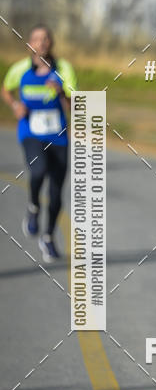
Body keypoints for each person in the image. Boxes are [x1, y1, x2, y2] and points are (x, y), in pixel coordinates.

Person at [1, 25, 76, 262]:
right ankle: (33, 207)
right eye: (36, 39)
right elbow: (6, 89)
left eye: (45, 39)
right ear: (30, 45)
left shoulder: (64, 69)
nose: (41, 43)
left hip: (58, 136)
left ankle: (49, 237)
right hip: (30, 133)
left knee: (56, 193)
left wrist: (62, 93)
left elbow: (76, 106)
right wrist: (15, 106)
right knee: (38, 169)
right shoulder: (20, 69)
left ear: (51, 43)